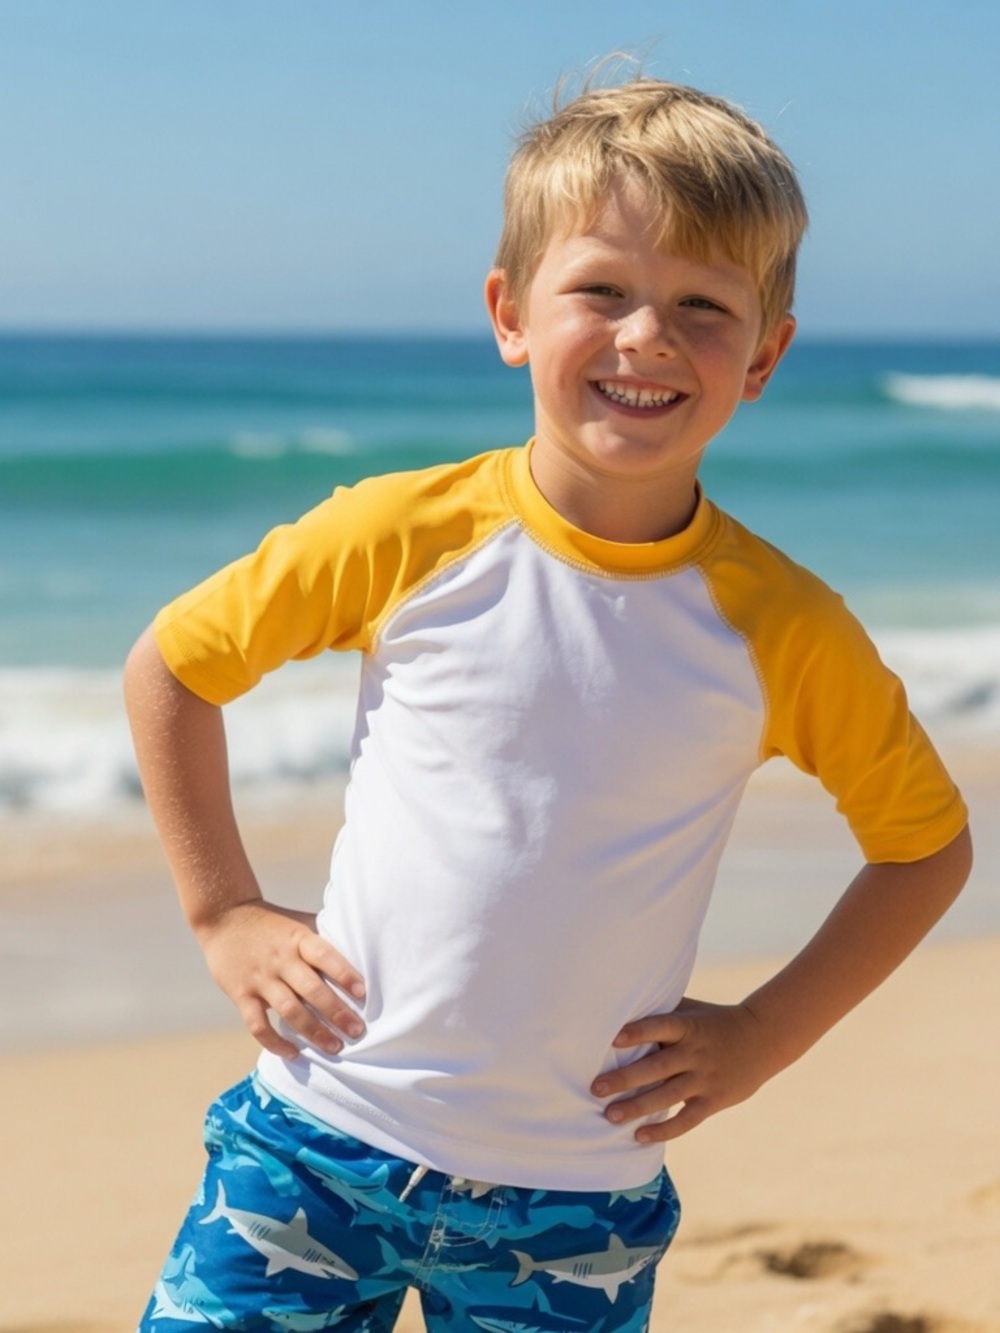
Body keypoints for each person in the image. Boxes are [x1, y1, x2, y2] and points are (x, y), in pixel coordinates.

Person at [124, 71, 971, 1332]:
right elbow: (174, 669)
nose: (646, 338)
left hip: (575, 1197)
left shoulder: (780, 625)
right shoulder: (402, 534)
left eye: (701, 306)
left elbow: (924, 850)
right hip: (315, 1136)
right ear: (510, 313)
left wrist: (759, 1037)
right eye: (601, 291)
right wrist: (223, 908)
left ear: (765, 354)